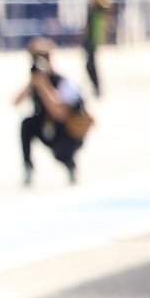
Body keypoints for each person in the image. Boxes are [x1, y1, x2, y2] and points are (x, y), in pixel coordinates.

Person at [15, 37, 88, 187]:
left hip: (68, 132)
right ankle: (28, 166)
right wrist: (32, 83)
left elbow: (60, 113)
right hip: (47, 126)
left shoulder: (64, 82)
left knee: (61, 153)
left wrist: (43, 85)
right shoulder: (35, 81)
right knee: (27, 124)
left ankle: (70, 165)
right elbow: (15, 103)